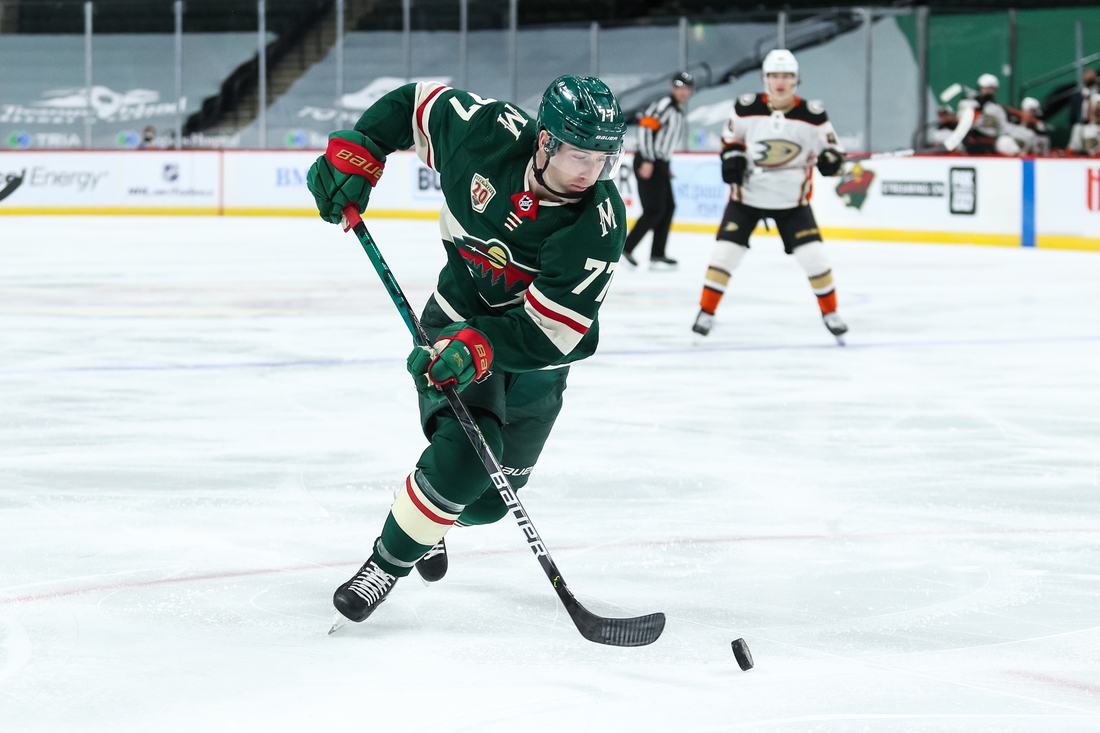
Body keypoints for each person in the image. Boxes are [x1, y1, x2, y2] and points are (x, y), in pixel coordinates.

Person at [305, 76, 628, 627]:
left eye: (601, 159)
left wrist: (479, 347)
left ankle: (426, 519)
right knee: (468, 455)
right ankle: (384, 564)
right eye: (578, 154)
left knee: (487, 502)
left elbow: (550, 334)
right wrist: (362, 150)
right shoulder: (486, 134)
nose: (588, 172)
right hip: (452, 323)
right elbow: (413, 105)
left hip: (535, 360)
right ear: (545, 140)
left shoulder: (596, 225)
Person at [691, 49, 848, 342]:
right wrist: (733, 157)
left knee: (816, 259)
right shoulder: (746, 107)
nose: (780, 82)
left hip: (791, 203)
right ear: (765, 78)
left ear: (796, 80)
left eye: (787, 76)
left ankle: (831, 312)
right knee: (724, 255)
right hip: (746, 199)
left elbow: (835, 155)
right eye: (775, 75)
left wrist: (832, 162)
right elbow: (730, 141)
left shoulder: (813, 116)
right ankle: (706, 313)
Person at [621, 71, 693, 269]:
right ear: (673, 88)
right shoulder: (665, 106)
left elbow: (664, 141)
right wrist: (649, 160)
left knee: (668, 207)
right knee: (654, 210)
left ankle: (657, 254)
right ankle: (626, 249)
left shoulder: (677, 110)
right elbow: (645, 128)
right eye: (679, 87)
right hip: (648, 160)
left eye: (686, 88)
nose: (683, 92)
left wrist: (665, 165)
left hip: (659, 163)